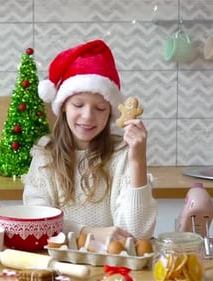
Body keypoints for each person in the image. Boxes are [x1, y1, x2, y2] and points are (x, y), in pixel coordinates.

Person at [23, 40, 157, 242]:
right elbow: (38, 221)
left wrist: (138, 160)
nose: (87, 116)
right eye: (78, 105)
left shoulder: (122, 155)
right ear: (64, 106)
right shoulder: (44, 156)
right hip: (60, 265)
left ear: (110, 112)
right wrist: (87, 233)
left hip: (112, 268)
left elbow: (137, 233)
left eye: (100, 108)